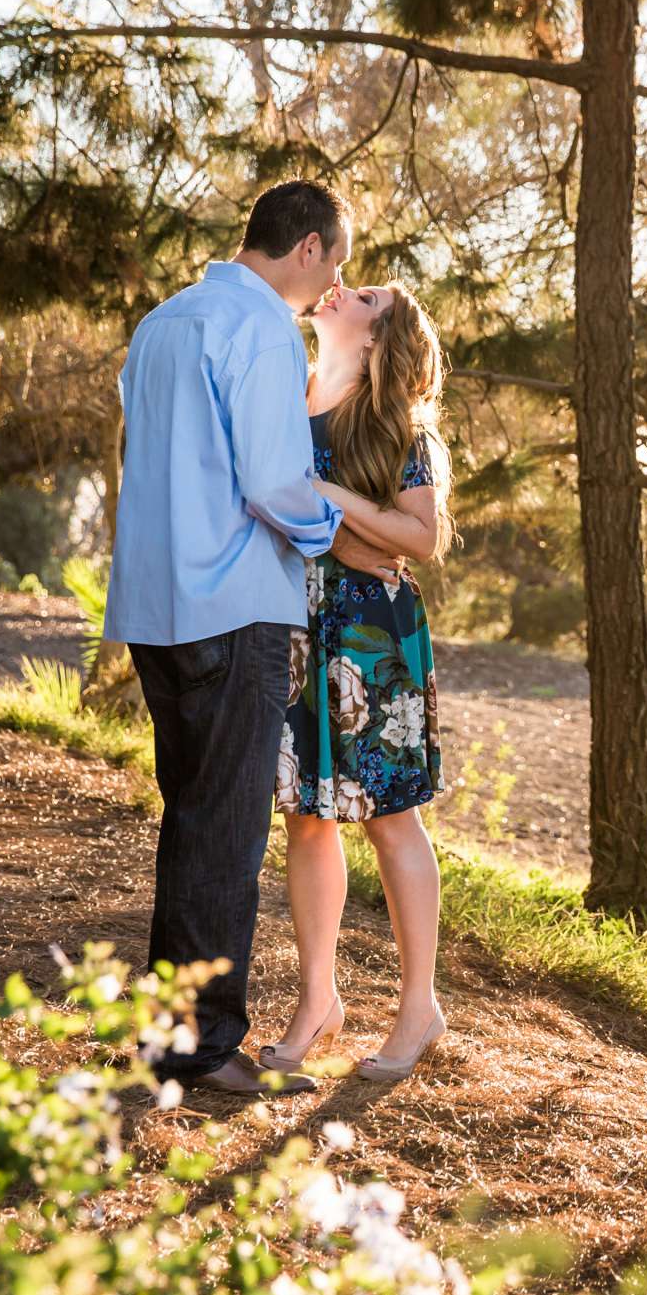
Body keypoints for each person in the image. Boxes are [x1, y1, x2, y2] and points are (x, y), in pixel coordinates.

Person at [103, 180, 397, 1097]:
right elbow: (275, 483)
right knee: (223, 831)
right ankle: (204, 1047)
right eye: (336, 262)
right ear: (306, 248)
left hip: (155, 607)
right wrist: (345, 539)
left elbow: (145, 457)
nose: (333, 283)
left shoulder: (162, 323)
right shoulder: (265, 326)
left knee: (192, 818)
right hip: (233, 605)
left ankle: (170, 1036)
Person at [259, 280, 454, 1084]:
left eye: (366, 294)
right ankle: (317, 1001)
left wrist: (328, 498)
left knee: (390, 819)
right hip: (293, 624)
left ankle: (419, 1009)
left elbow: (423, 538)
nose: (343, 287)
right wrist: (336, 535)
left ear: (379, 336)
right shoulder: (279, 390)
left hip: (375, 638)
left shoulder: (394, 428)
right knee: (307, 818)